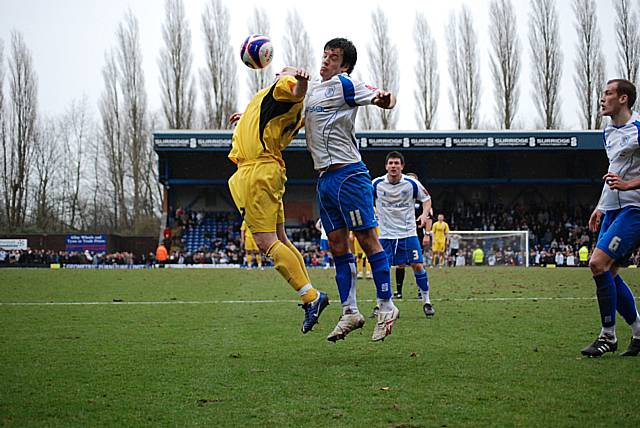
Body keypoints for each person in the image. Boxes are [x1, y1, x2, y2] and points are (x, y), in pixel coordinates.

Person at [304, 37, 398, 342]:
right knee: (337, 246)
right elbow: (290, 124)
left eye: (333, 57)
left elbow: (384, 98)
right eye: (325, 55)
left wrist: (385, 100)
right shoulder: (310, 94)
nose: (326, 61)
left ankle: (386, 306)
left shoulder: (346, 84)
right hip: (325, 180)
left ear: (344, 65)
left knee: (367, 240)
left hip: (349, 174)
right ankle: (350, 312)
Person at [228, 66, 329, 334]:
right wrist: (245, 119)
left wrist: (300, 82)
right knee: (281, 239)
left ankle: (311, 297)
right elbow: (269, 120)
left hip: (256, 173)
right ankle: (311, 297)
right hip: (267, 169)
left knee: (266, 242)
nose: (279, 72)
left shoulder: (284, 85)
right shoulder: (269, 103)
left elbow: (296, 92)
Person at [581, 78, 640, 357]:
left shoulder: (638, 129)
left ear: (624, 99)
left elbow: (624, 179)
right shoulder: (608, 131)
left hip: (634, 210)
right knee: (609, 272)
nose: (602, 99)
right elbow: (613, 171)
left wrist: (628, 186)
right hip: (612, 209)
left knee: (597, 263)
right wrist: (601, 206)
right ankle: (638, 332)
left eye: (608, 94)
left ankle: (608, 336)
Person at [373, 151, 435, 317]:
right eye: (391, 163)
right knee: (382, 268)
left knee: (417, 266)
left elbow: (427, 200)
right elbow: (364, 200)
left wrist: (423, 214)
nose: (394, 166)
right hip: (385, 234)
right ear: (386, 166)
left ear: (402, 166)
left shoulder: (412, 183)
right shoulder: (376, 184)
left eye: (397, 163)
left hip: (408, 233)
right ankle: (381, 304)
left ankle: (427, 301)